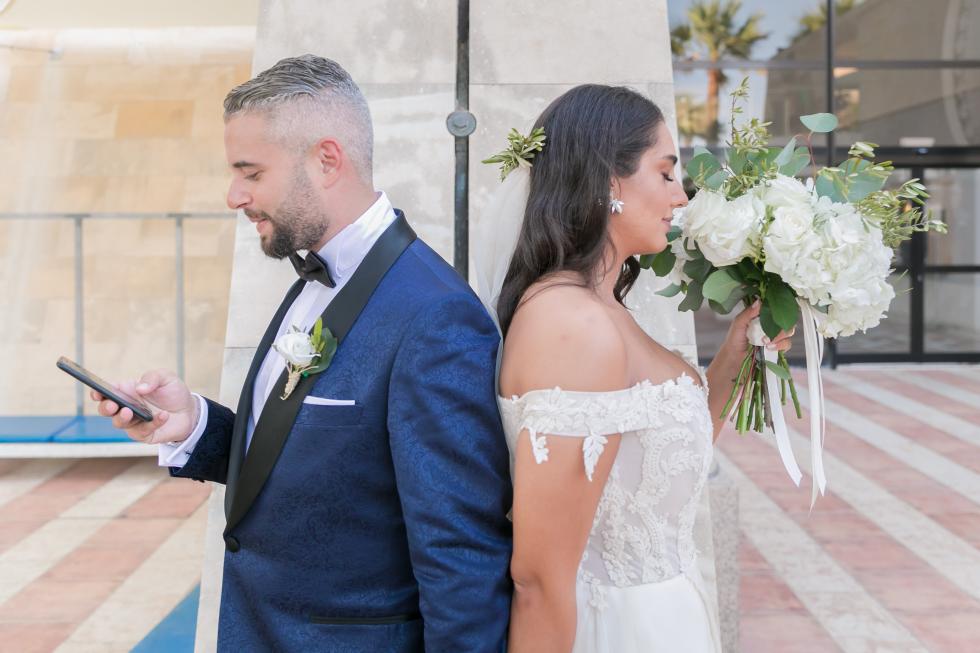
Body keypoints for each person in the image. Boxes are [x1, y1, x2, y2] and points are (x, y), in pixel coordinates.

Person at [91, 54, 512, 653]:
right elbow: (320, 463)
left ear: (327, 160)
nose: (234, 195)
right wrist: (194, 425)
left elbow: (460, 554)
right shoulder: (317, 277)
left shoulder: (435, 317)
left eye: (251, 172)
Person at [478, 85, 793, 652]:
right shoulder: (572, 325)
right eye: (666, 173)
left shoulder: (601, 307)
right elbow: (538, 579)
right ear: (608, 181)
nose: (680, 196)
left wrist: (738, 350)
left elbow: (653, 467)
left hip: (666, 620)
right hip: (616, 628)